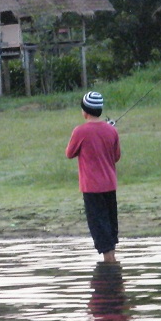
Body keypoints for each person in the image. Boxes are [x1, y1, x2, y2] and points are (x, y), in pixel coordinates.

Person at [65, 91, 121, 263]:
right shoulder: (111, 130)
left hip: (92, 187)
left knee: (99, 226)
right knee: (110, 224)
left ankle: (109, 267)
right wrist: (108, 129)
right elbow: (116, 156)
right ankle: (112, 266)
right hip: (110, 185)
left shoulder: (80, 131)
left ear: (85, 111)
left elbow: (70, 153)